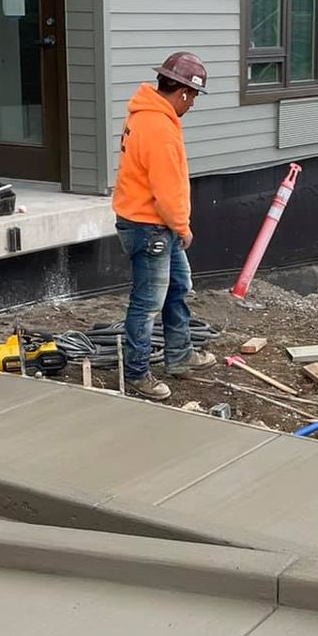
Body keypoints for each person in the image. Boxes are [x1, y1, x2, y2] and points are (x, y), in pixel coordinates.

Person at [113, 51, 216, 401]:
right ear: (184, 92)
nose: (193, 105)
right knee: (147, 302)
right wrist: (182, 227)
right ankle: (138, 374)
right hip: (151, 226)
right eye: (194, 98)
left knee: (178, 285)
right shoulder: (159, 128)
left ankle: (180, 355)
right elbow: (168, 191)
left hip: (149, 222)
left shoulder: (147, 115)